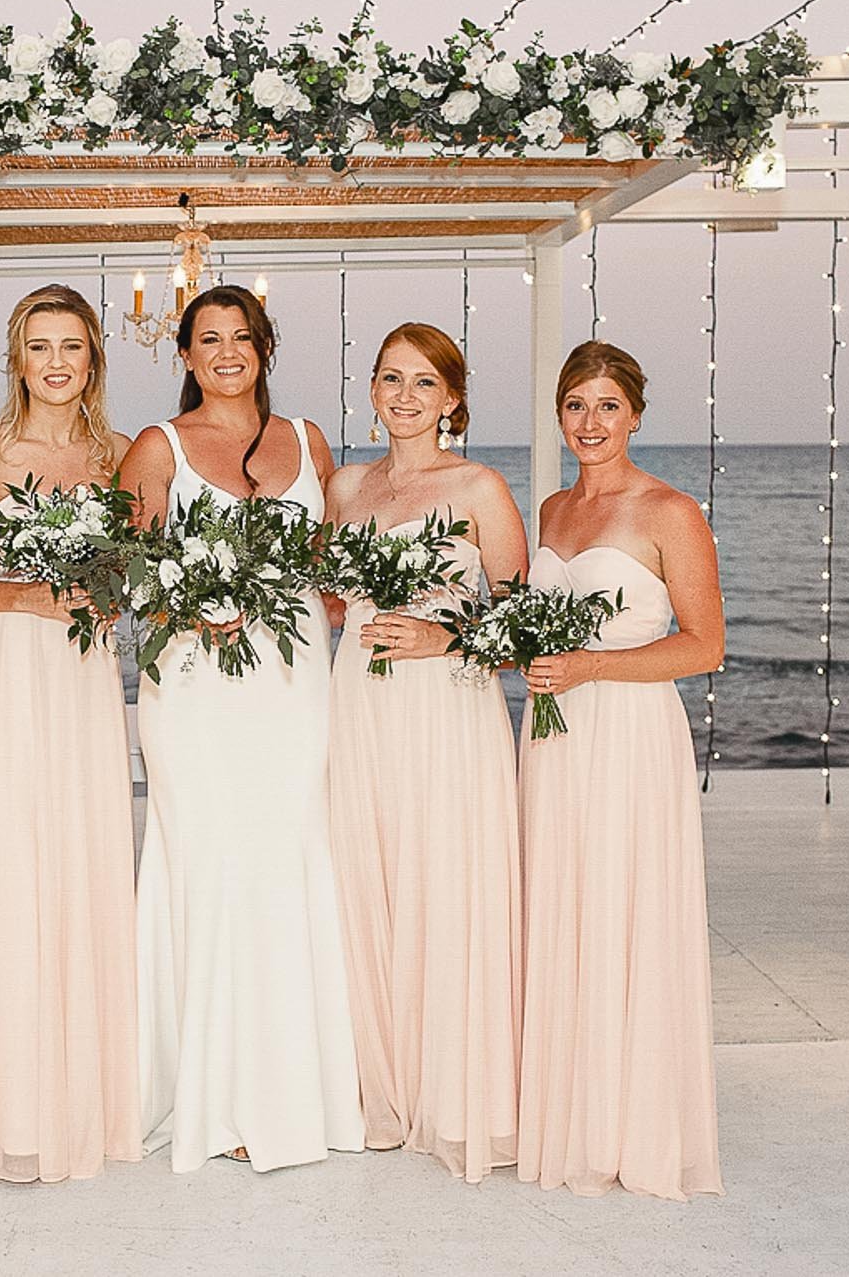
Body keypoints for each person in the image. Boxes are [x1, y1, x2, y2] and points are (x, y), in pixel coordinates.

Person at [118, 283, 365, 1173]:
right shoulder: (158, 446)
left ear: (265, 345)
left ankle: (291, 1089)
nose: (227, 352)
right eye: (207, 339)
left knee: (287, 854)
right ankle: (210, 1097)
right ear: (184, 355)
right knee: (211, 859)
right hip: (193, 684)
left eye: (242, 336)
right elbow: (129, 568)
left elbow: (331, 567)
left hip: (292, 681)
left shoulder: (308, 441)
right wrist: (185, 607)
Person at [0, 284, 141, 1182]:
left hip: (83, 677)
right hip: (6, 673)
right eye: (39, 346)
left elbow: (139, 576)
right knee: (8, 861)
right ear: (16, 358)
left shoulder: (124, 457)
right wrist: (27, 594)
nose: (56, 363)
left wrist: (108, 593)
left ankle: (80, 1088)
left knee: (80, 857)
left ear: (95, 358)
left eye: (73, 347)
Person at [514, 339, 725, 1201]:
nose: (590, 422)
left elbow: (705, 645)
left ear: (634, 413)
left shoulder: (669, 509)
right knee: (561, 904)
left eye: (606, 405)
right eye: (575, 405)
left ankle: (627, 1125)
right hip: (554, 732)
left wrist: (593, 665)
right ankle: (570, 1108)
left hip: (629, 730)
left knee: (624, 907)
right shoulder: (553, 511)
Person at [322, 323, 528, 1183]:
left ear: (452, 397)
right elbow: (334, 603)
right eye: (389, 379)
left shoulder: (478, 485)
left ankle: (455, 1091)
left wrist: (445, 637)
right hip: (359, 704)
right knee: (362, 878)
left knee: (446, 877)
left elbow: (519, 620)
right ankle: (379, 1085)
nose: (404, 396)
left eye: (423, 382)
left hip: (447, 710)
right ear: (371, 389)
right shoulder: (345, 485)